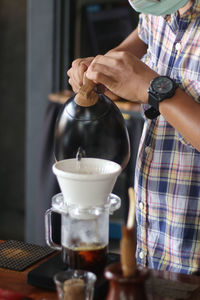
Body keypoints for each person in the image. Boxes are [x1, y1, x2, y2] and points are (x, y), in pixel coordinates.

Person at [67, 0, 200, 274]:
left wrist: (157, 91)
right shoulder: (161, 8)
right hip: (154, 253)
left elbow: (151, 85)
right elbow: (143, 34)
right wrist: (106, 69)